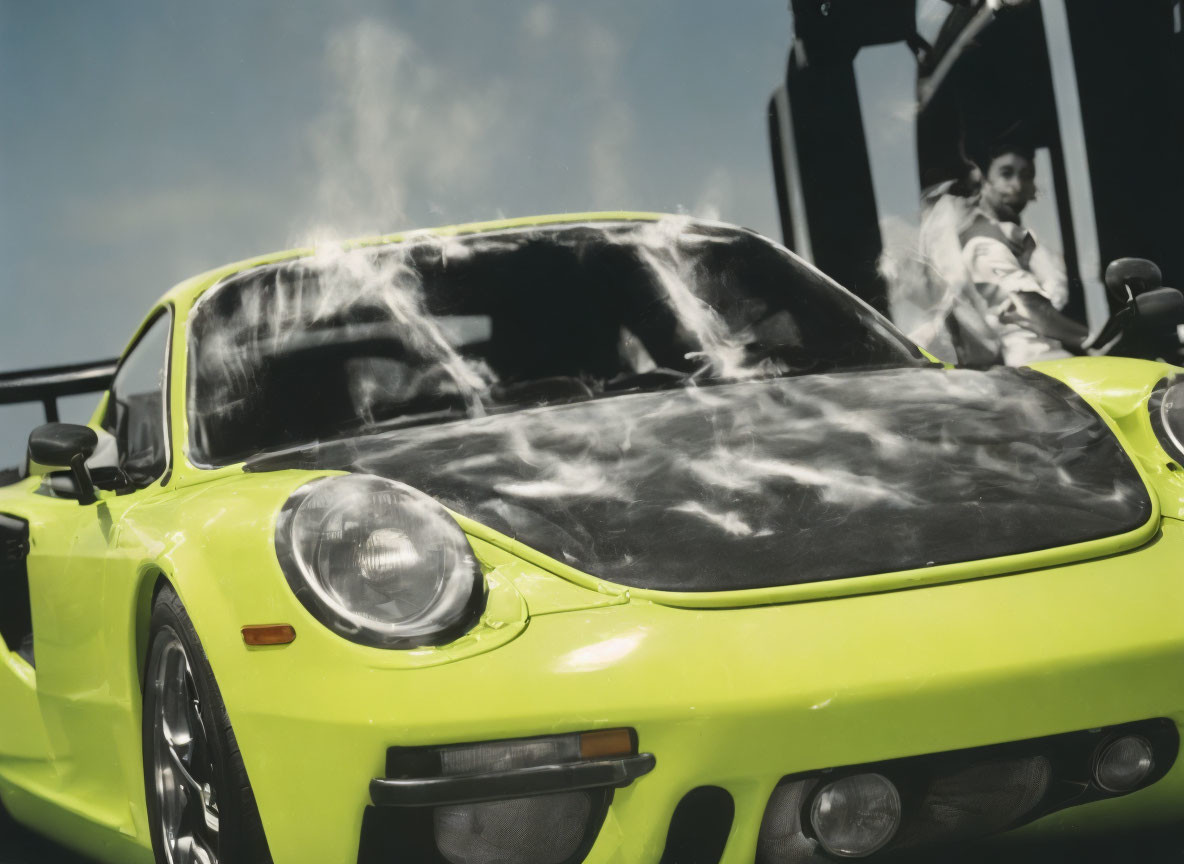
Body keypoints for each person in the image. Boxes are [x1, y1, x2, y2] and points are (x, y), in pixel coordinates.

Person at [958, 143, 1088, 365]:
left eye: (1027, 175)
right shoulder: (982, 244)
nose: (1018, 185)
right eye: (1006, 174)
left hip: (1054, 359)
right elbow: (1030, 310)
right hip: (1026, 370)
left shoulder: (1030, 242)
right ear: (983, 180)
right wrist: (1091, 340)